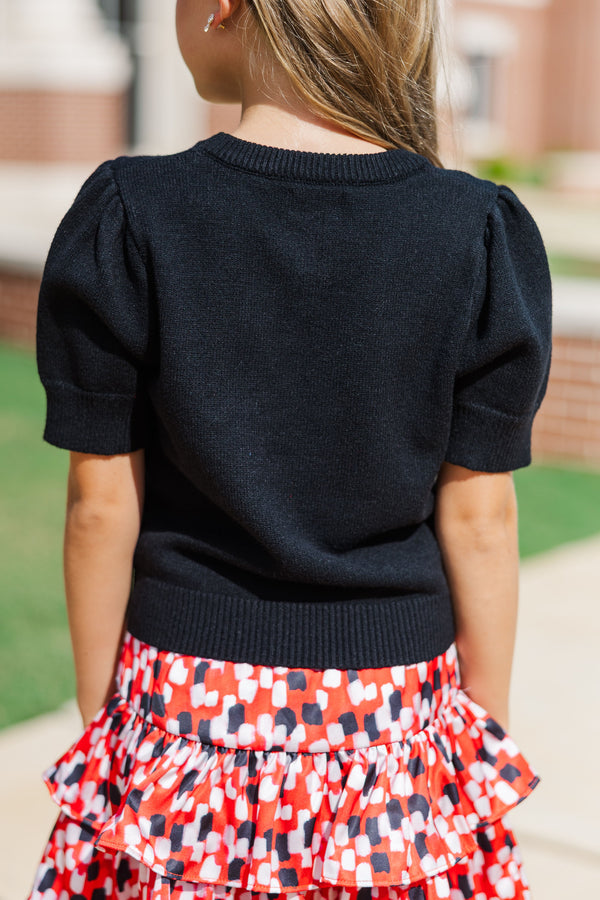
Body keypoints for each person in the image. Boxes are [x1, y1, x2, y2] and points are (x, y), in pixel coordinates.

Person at [28, 1, 552, 898]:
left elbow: (100, 506)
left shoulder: (130, 213)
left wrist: (101, 713)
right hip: (391, 718)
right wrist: (478, 727)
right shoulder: (477, 230)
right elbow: (481, 518)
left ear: (223, 7)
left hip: (183, 707)